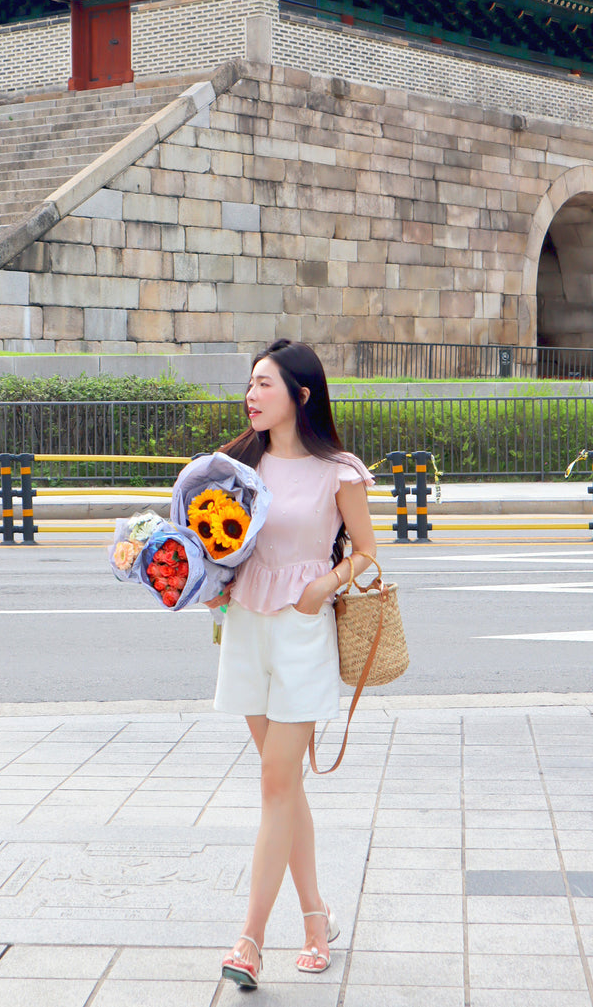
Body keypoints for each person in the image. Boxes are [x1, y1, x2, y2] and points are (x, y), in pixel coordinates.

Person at [206, 338, 377, 990]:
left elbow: (365, 551)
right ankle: (316, 916)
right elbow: (215, 539)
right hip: (246, 627)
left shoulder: (338, 471)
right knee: (285, 787)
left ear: (300, 394)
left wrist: (320, 588)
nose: (252, 394)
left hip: (304, 634)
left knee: (276, 784)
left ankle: (249, 939)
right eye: (249, 383)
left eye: (264, 383)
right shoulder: (232, 465)